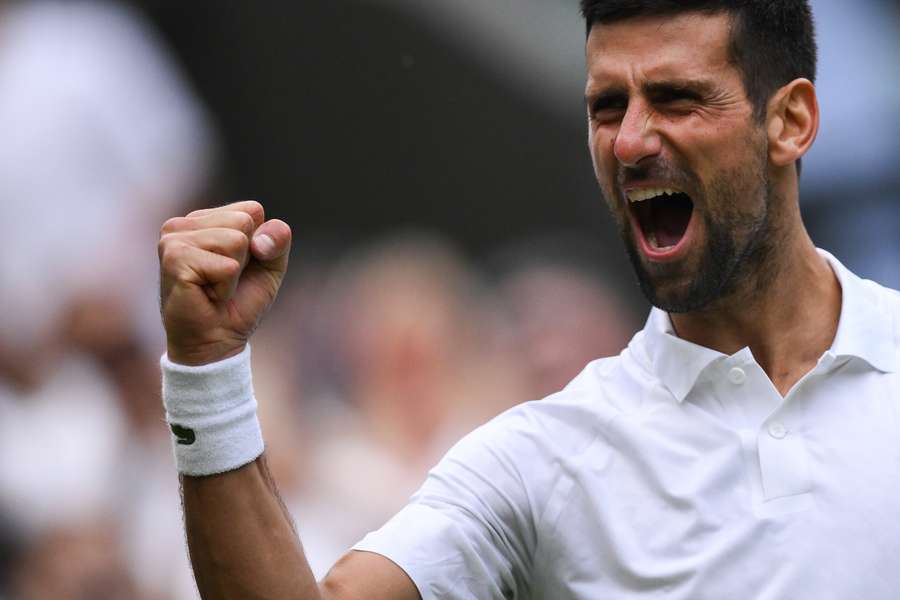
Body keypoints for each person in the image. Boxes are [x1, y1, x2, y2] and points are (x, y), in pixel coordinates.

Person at [156, 1, 900, 598]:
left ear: (791, 121)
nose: (631, 142)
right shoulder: (540, 465)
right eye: (608, 106)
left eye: (676, 99)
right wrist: (206, 372)